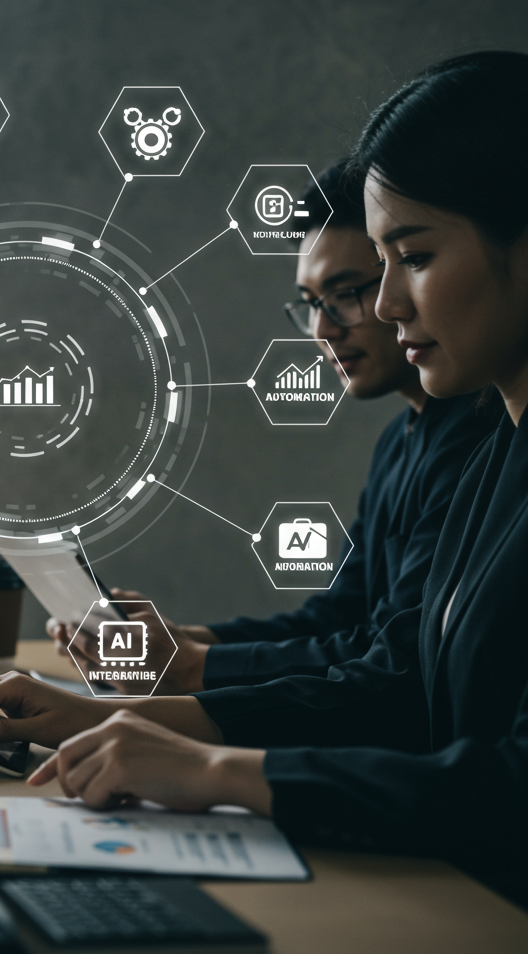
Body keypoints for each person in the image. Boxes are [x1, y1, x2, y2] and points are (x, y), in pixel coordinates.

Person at [0, 52, 528, 906]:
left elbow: (459, 742)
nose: (378, 310)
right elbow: (397, 674)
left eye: (408, 259)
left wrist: (210, 754)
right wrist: (157, 697)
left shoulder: (477, 438)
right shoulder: (496, 448)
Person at [50, 160, 499, 694]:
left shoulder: (479, 440)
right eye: (311, 304)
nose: (322, 330)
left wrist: (190, 666)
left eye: (345, 294)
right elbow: (340, 617)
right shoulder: (399, 442)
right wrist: (187, 643)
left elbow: (394, 662)